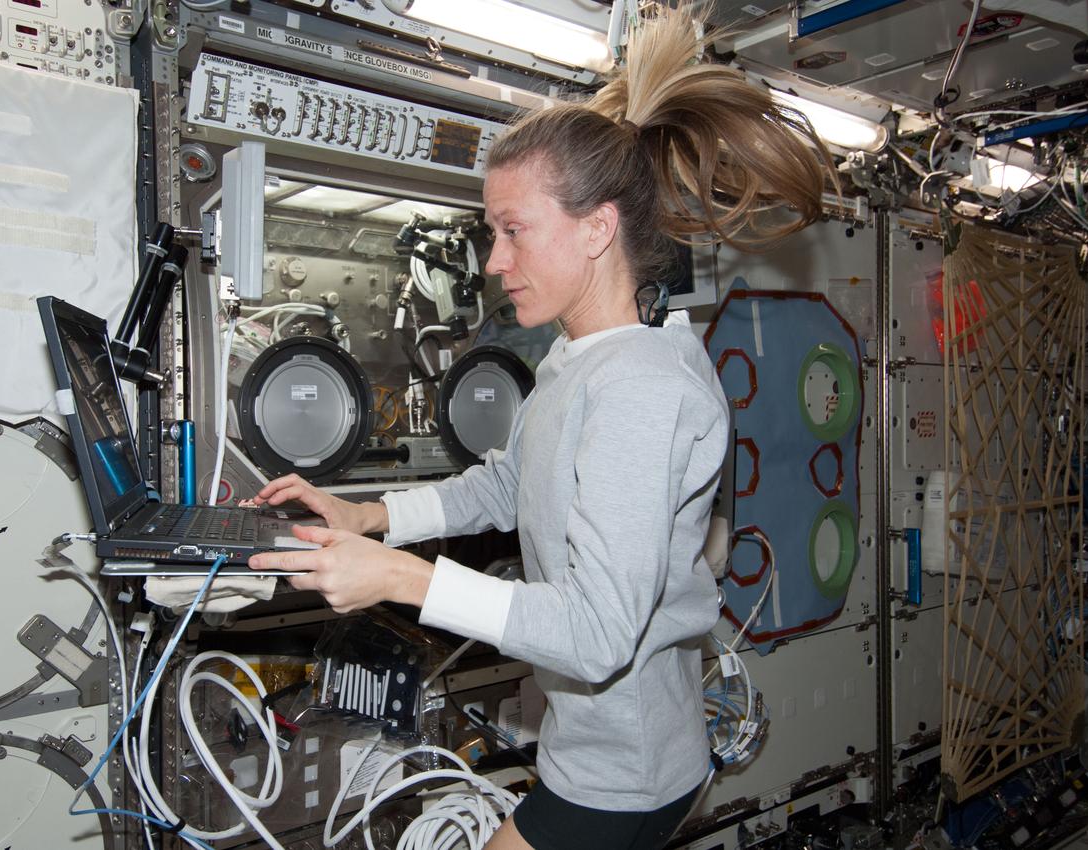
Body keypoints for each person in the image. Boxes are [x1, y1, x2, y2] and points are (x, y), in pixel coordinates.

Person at [246, 7, 832, 848]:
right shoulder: (576, 359)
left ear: (598, 230)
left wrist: (402, 580)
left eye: (513, 231)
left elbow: (597, 636)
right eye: (493, 232)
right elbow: (509, 482)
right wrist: (371, 518)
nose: (492, 260)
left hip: (625, 779)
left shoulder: (642, 387)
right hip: (586, 752)